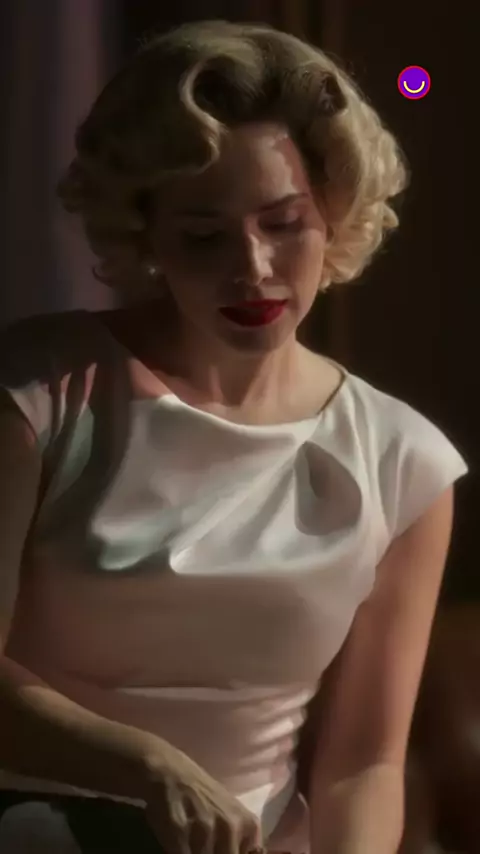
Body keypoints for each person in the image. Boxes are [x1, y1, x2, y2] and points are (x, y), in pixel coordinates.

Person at [0, 17, 468, 854]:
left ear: (334, 214)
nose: (251, 268)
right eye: (204, 236)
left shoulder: (404, 459)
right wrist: (148, 765)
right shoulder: (40, 393)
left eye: (282, 223)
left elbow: (362, 765)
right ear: (144, 234)